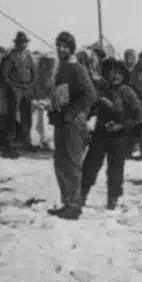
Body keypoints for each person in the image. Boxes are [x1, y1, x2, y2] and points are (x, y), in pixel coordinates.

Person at [81, 58, 142, 210]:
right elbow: (89, 109)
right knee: (90, 165)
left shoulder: (127, 92)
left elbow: (139, 116)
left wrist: (121, 125)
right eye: (112, 72)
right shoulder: (101, 90)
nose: (115, 76)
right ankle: (81, 194)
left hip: (119, 137)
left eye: (119, 73)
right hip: (100, 135)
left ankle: (113, 198)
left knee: (115, 169)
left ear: (123, 75)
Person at [47, 31, 97, 220]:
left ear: (71, 48)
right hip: (62, 121)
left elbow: (90, 95)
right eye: (58, 45)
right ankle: (67, 202)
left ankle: (74, 205)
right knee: (60, 162)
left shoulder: (77, 69)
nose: (61, 49)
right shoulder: (62, 68)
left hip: (74, 122)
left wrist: (70, 113)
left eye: (65, 46)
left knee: (71, 163)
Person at [0, 31, 36, 153]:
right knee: (12, 116)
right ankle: (9, 142)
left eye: (25, 43)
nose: (23, 45)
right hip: (15, 90)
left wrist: (30, 86)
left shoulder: (29, 57)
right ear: (16, 44)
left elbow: (33, 73)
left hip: (27, 89)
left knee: (27, 116)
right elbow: (4, 75)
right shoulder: (10, 57)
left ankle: (26, 141)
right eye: (21, 43)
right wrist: (13, 87)